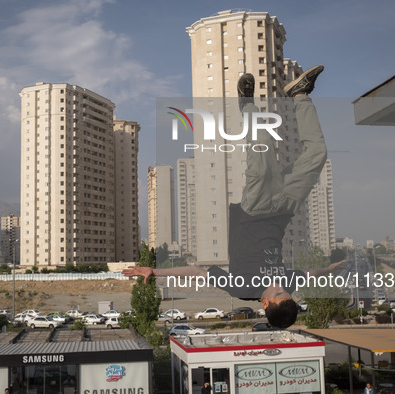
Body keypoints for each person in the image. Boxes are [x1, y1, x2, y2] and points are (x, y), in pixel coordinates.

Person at [123, 66, 344, 329]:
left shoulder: (242, 288)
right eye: (285, 291)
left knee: (262, 157)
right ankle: (299, 94)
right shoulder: (289, 285)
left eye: (275, 293)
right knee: (317, 154)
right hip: (285, 208)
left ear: (264, 303)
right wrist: (330, 270)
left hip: (257, 210)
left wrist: (156, 271)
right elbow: (312, 274)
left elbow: (199, 273)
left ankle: (247, 105)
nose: (278, 286)